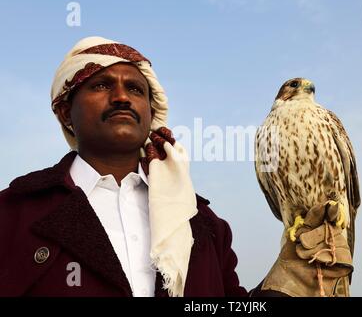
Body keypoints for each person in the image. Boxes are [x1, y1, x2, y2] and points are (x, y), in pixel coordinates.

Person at [0, 36, 247, 297]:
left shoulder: (200, 221)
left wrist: (282, 281)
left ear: (151, 113)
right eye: (102, 85)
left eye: (135, 89)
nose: (121, 97)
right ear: (64, 111)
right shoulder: (14, 212)